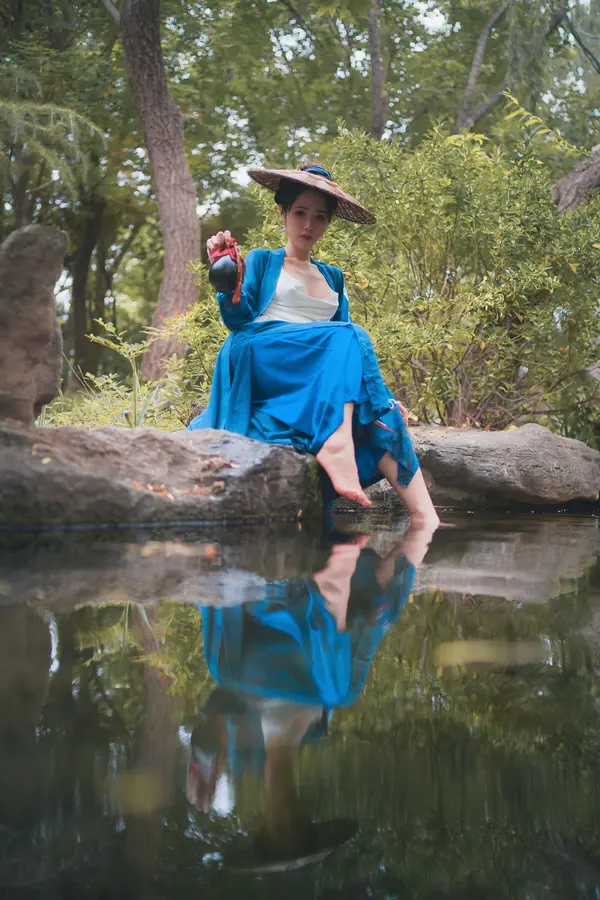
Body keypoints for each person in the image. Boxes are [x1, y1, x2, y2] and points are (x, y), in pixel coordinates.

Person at [188, 163, 439, 528]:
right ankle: (336, 443)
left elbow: (346, 355)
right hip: (265, 359)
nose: (308, 225)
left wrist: (381, 398)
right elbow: (237, 319)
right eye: (300, 213)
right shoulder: (262, 261)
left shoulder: (333, 277)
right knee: (351, 334)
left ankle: (426, 519)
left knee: (385, 418)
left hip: (313, 377)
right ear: (283, 213)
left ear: (328, 223)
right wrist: (226, 275)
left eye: (319, 217)